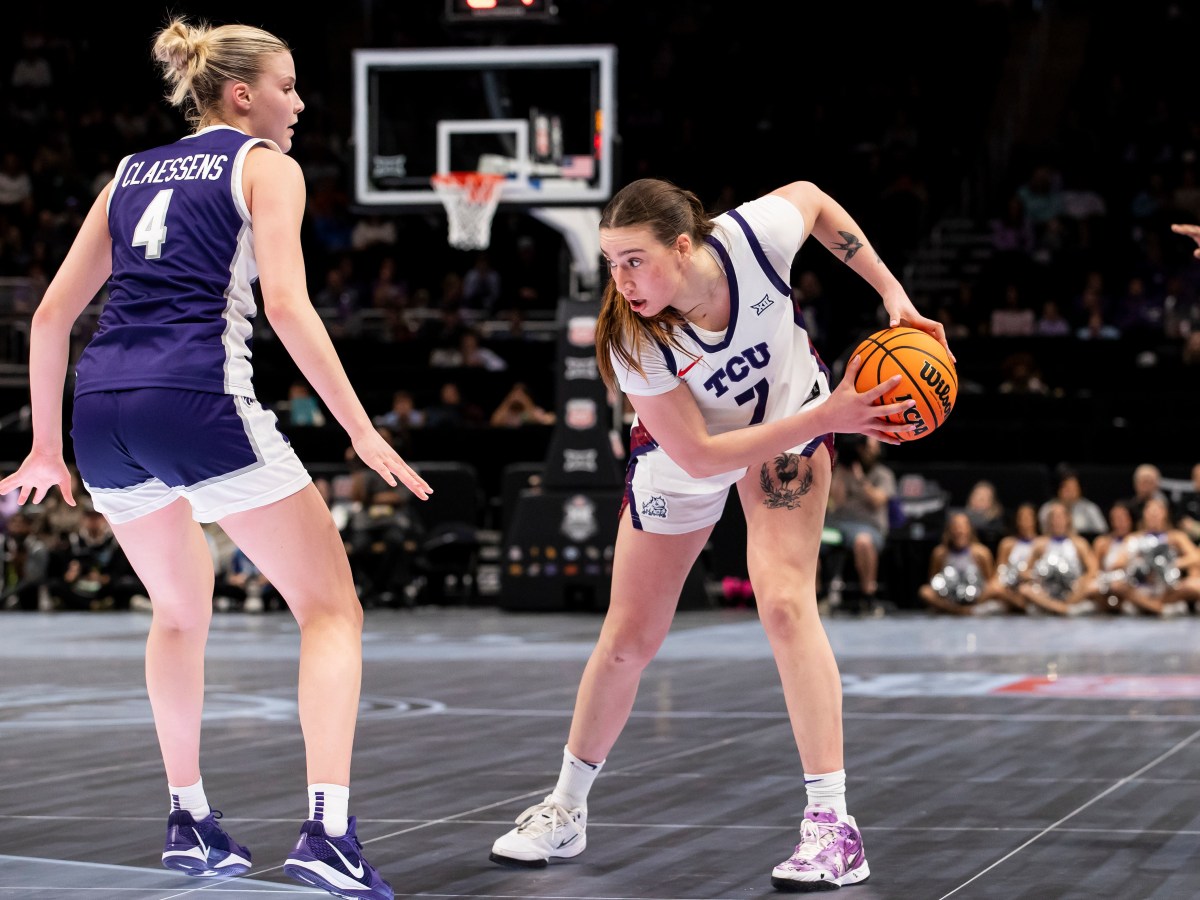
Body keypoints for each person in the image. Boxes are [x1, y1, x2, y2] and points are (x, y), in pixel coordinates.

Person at [0, 18, 433, 900]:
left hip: (102, 411)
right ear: (243, 96)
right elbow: (289, 307)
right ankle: (329, 834)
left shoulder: (126, 173)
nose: (300, 103)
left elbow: (49, 319)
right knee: (330, 608)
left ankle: (190, 818)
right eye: (289, 85)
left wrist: (46, 444)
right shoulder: (265, 165)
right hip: (195, 399)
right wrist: (359, 428)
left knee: (179, 610)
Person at [487, 176, 944, 890]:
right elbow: (700, 453)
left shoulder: (754, 238)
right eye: (611, 262)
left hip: (789, 424)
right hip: (687, 456)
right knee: (628, 641)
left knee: (787, 604)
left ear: (683, 245)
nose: (621, 280)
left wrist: (893, 295)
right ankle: (566, 809)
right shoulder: (629, 335)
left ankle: (833, 827)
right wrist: (832, 418)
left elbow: (817, 200)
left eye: (633, 260)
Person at [823, 435, 897, 613]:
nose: (865, 451)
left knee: (863, 541)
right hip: (836, 528)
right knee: (811, 540)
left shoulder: (883, 474)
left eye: (869, 447)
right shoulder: (841, 471)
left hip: (868, 528)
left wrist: (861, 479)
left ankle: (868, 597)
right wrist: (839, 470)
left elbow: (878, 500)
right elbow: (836, 502)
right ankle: (818, 595)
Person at [1017, 500, 1098, 615]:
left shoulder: (1079, 543)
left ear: (1068, 519)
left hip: (1073, 589)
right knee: (1024, 590)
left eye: (1060, 517)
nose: (1057, 521)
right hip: (1047, 590)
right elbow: (1025, 571)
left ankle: (1060, 607)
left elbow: (1093, 569)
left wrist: (1082, 581)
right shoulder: (1040, 544)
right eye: (1054, 518)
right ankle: (1063, 609)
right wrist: (1036, 577)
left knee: (1094, 587)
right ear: (1049, 522)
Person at [918, 510, 998, 615]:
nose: (959, 530)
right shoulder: (940, 553)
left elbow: (990, 581)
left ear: (970, 529)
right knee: (925, 591)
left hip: (975, 596)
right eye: (956, 526)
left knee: (996, 588)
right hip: (950, 598)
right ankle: (958, 611)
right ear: (949, 530)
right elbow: (933, 580)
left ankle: (968, 609)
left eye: (963, 526)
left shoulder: (981, 553)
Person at [980, 502, 1040, 612]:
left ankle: (1022, 605)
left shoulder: (1041, 543)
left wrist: (1028, 576)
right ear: (1017, 520)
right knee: (993, 587)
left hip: (1032, 584)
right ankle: (966, 609)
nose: (1025, 521)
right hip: (1009, 584)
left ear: (1035, 520)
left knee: (1026, 591)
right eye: (1022, 517)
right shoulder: (1007, 544)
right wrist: (1000, 583)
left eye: (1028, 517)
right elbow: (999, 570)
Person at [1037, 467, 1107, 541]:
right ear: (1059, 489)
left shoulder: (1089, 508)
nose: (1071, 492)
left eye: (1074, 488)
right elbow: (1043, 532)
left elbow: (1102, 532)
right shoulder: (1047, 508)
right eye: (1067, 488)